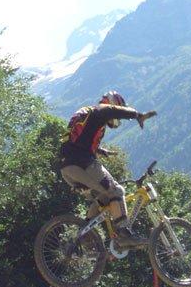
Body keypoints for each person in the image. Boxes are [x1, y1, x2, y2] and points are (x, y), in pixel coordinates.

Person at [59, 91, 156, 247]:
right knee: (116, 191)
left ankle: (84, 237)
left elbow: (78, 139)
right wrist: (137, 115)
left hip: (67, 168)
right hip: (82, 164)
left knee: (103, 198)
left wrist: (99, 150)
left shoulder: (89, 114)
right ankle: (123, 235)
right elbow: (112, 111)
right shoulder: (100, 110)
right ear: (113, 103)